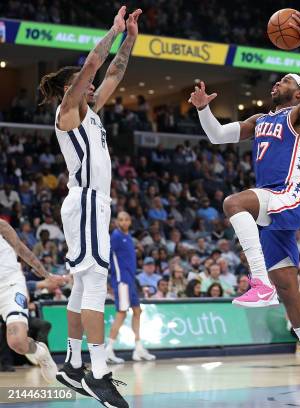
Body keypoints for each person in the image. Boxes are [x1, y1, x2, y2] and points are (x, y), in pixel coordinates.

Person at [189, 12, 300, 400]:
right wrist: (203, 109)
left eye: (286, 80)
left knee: (233, 202)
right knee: (290, 291)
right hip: (272, 206)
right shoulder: (260, 118)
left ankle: (258, 282)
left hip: (289, 196)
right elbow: (219, 136)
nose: (278, 82)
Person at [39, 6, 141, 407]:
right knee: (96, 282)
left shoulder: (91, 113)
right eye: (87, 85)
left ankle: (72, 361)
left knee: (83, 284)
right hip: (85, 201)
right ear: (73, 89)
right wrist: (112, 31)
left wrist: (130, 36)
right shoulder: (67, 113)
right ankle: (98, 373)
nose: (96, 88)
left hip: (93, 204)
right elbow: (97, 63)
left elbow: (114, 71)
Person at [0, 219, 58, 382]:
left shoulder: (1, 226)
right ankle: (40, 352)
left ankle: (41, 353)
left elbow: (22, 250)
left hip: (9, 285)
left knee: (17, 342)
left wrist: (46, 274)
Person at [106, 212, 156, 364]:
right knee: (121, 313)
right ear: (116, 221)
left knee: (137, 311)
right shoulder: (114, 236)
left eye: (127, 219)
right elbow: (106, 256)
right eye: (121, 219)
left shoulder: (128, 237)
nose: (124, 222)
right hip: (121, 281)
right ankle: (108, 350)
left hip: (130, 280)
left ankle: (138, 348)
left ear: (130, 221)